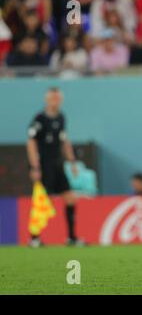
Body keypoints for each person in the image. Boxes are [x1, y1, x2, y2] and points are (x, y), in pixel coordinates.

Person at [27, 87, 84, 247]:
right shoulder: (39, 119)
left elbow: (65, 141)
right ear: (47, 99)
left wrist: (72, 162)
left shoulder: (61, 117)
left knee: (70, 197)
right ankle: (34, 238)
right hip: (44, 164)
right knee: (41, 201)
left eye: (58, 98)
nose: (56, 100)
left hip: (57, 164)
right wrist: (34, 166)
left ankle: (71, 238)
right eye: (53, 98)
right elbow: (31, 143)